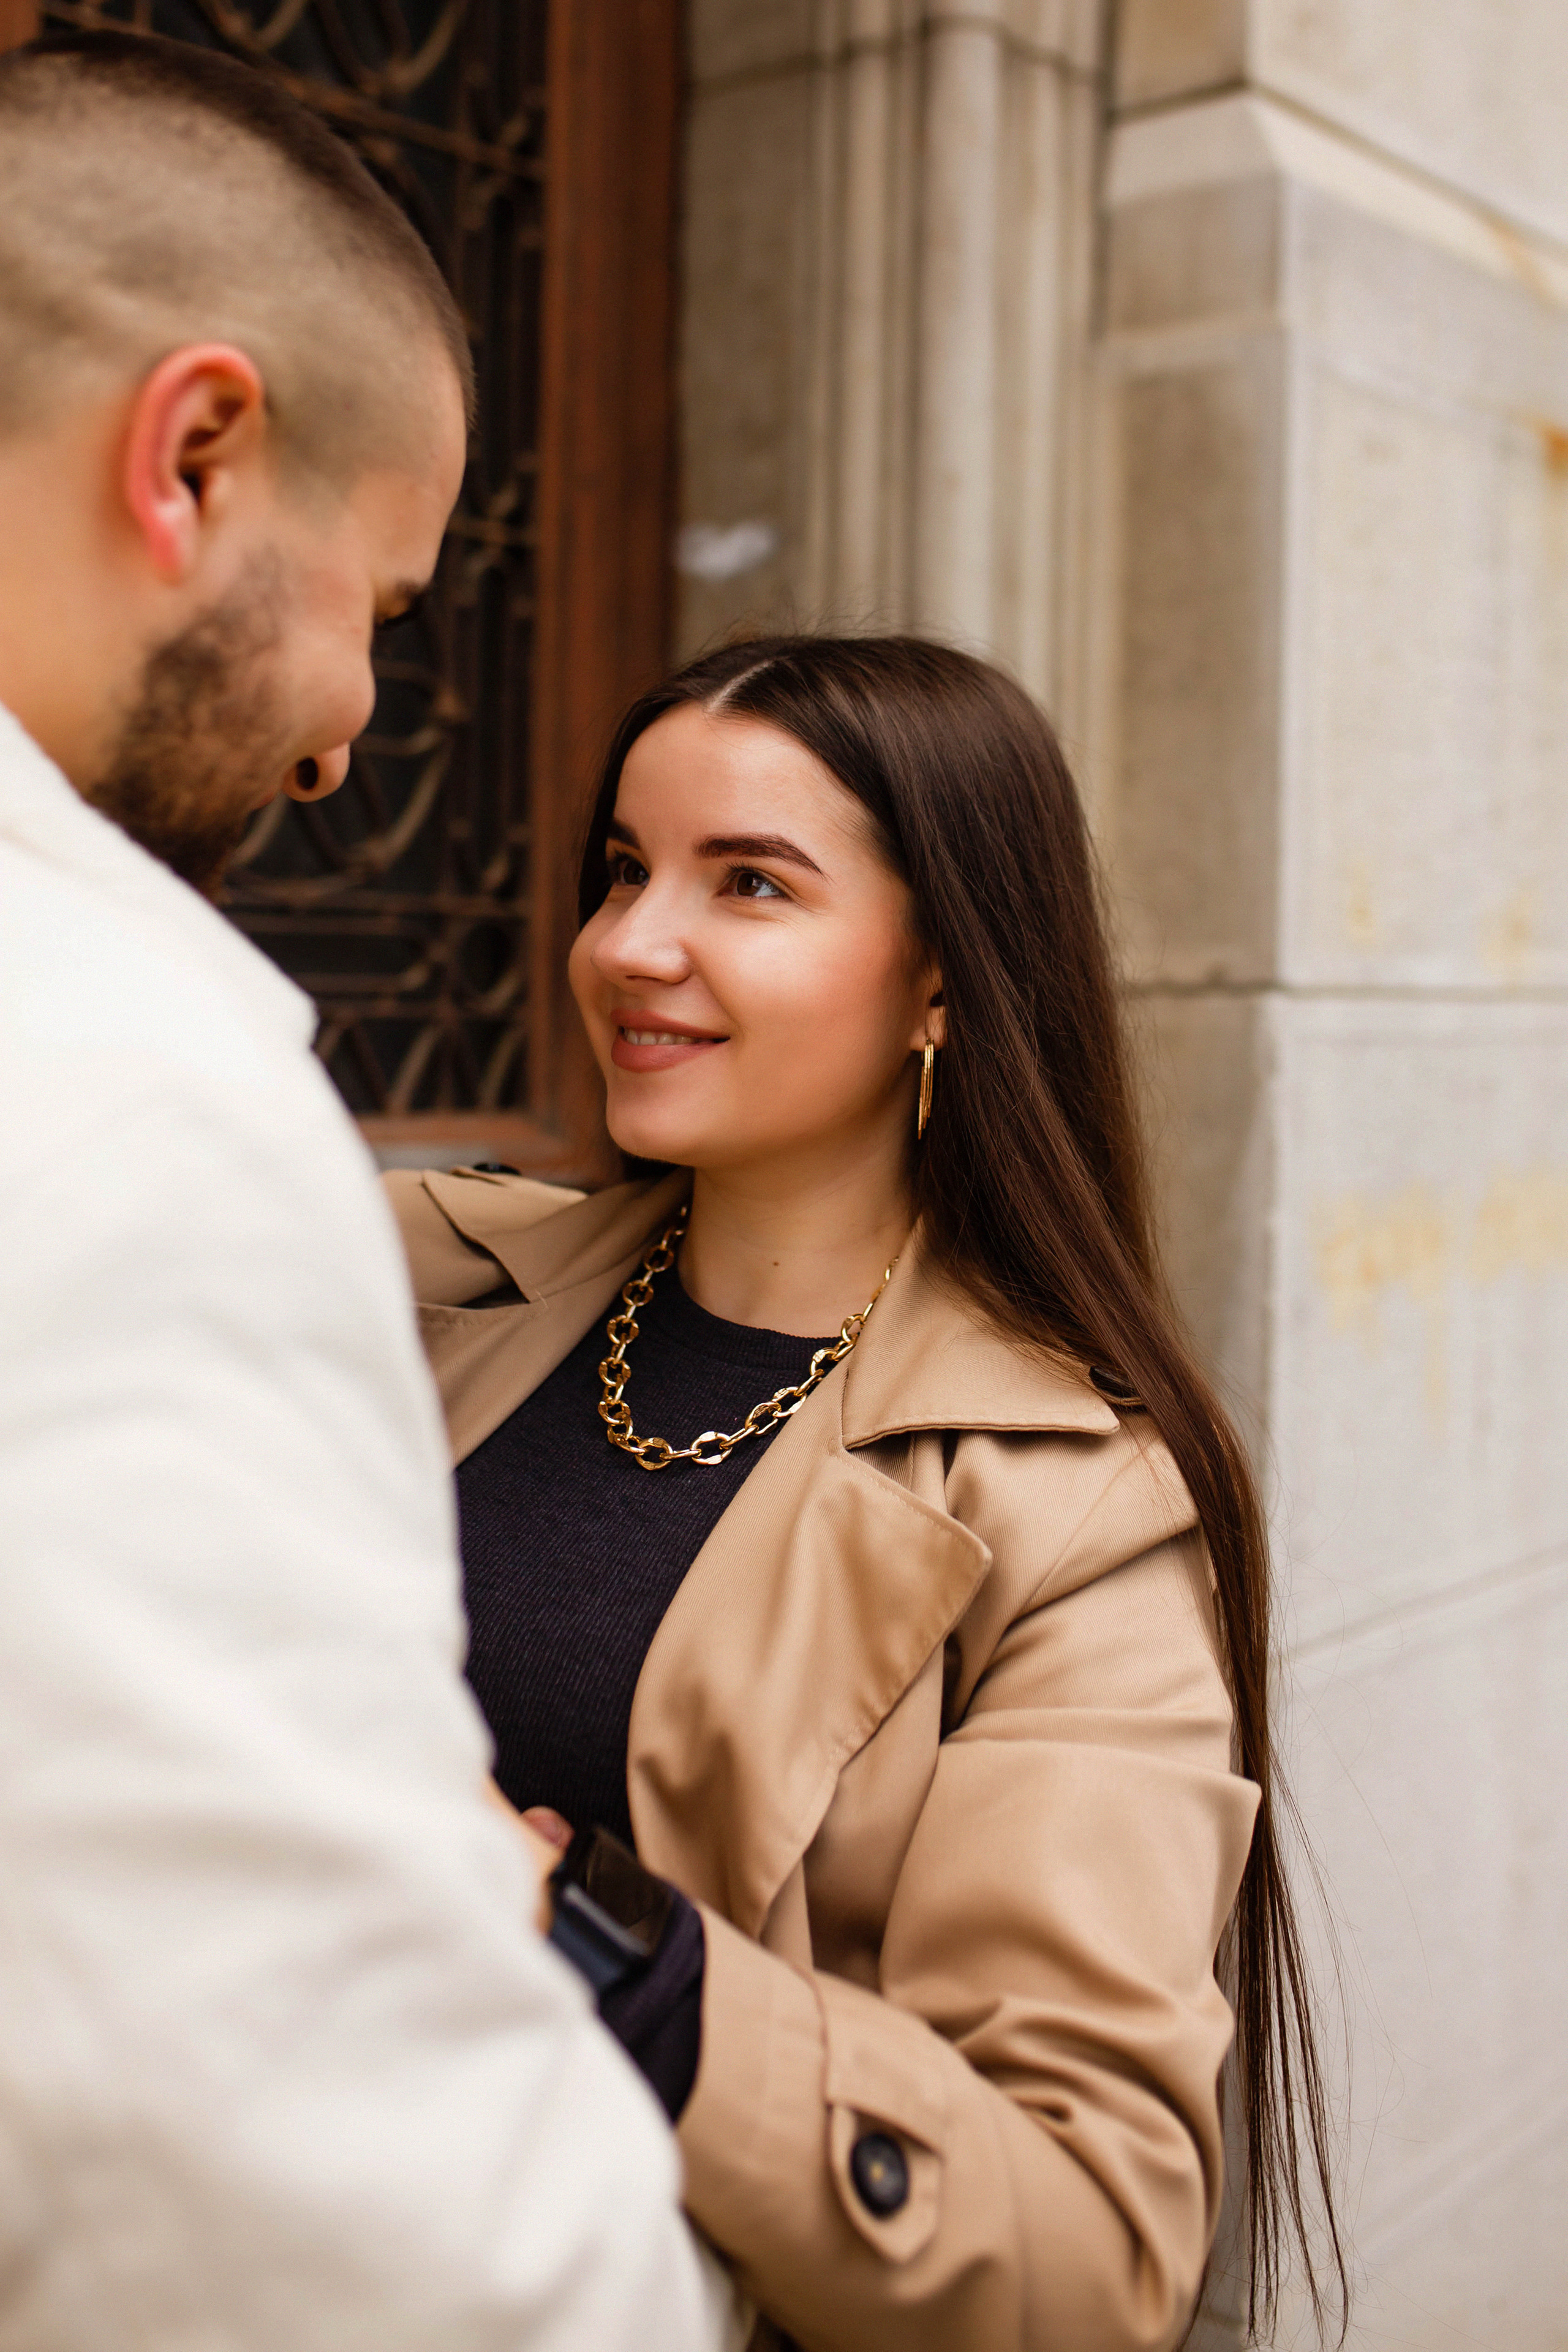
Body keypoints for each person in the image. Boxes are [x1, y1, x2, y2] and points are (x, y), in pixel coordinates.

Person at [0, 30, 724, 2351]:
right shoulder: (141, 1092)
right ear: (194, 454)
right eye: (390, 611)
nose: (348, 742)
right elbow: (375, 2230)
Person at [389, 635, 1348, 2352]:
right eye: (625, 868)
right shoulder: (428, 1281)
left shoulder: (1077, 1514)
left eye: (747, 883)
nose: (627, 946)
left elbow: (1089, 2237)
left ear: (941, 984)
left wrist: (597, 1943)